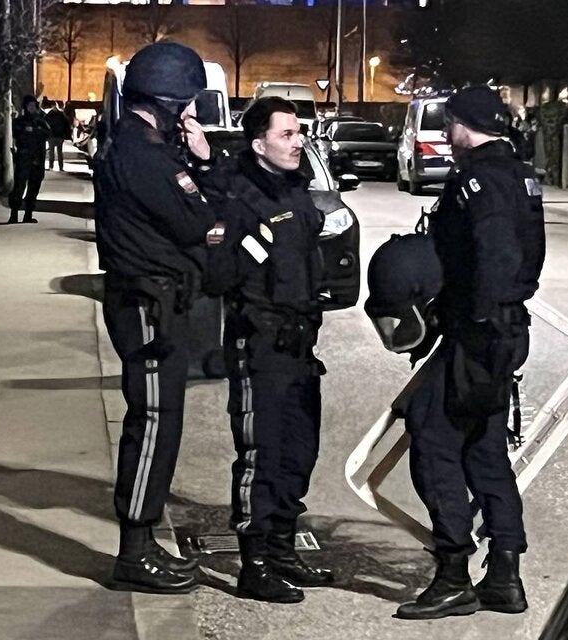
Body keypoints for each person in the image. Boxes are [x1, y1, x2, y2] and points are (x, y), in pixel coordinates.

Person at [366, 86, 545, 620]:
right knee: (484, 447)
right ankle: (504, 574)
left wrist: (480, 324)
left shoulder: (476, 180)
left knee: (434, 436)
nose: (446, 134)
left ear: (467, 125)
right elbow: (523, 257)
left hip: (480, 332)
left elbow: (496, 254)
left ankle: (452, 573)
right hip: (504, 330)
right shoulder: (519, 174)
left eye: (450, 125)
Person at [94, 41, 223, 594]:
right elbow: (198, 222)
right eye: (187, 103)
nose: (192, 113)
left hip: (156, 301)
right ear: (166, 103)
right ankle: (135, 550)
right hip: (146, 304)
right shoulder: (142, 156)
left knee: (161, 421)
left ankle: (143, 543)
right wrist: (206, 164)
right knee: (151, 422)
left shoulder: (146, 147)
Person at [207, 97, 332, 604]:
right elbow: (222, 273)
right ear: (259, 144)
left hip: (299, 342)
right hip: (259, 341)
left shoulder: (295, 191)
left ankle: (282, 548)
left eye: (300, 132)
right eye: (287, 134)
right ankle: (253, 564)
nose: (298, 141)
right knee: (261, 454)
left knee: (298, 451)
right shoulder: (241, 198)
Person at [8, 95, 50, 224]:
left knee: (34, 187)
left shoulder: (41, 121)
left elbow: (47, 133)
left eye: (33, 106)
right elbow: (15, 135)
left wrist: (35, 131)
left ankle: (28, 214)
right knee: (19, 187)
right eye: (29, 106)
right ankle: (14, 214)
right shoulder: (19, 122)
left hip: (37, 159)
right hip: (23, 159)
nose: (31, 108)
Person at [45, 100, 71, 171]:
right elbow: (67, 125)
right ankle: (61, 167)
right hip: (59, 135)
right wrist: (67, 135)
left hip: (52, 136)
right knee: (59, 152)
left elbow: (45, 125)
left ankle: (51, 166)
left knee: (51, 152)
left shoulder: (48, 115)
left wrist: (46, 135)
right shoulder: (62, 115)